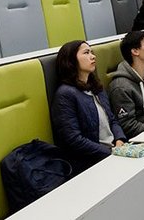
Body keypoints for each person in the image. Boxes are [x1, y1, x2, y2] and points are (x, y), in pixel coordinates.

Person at [50, 40, 125, 174]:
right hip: (90, 162)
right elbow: (73, 139)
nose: (93, 56)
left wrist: (119, 140)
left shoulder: (96, 88)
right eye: (86, 53)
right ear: (71, 60)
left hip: (113, 152)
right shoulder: (65, 94)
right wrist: (110, 152)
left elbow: (112, 120)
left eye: (92, 52)